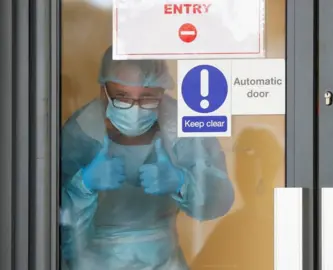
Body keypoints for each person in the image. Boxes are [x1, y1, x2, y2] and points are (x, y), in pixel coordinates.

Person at [60, 46, 235, 270]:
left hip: (164, 260)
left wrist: (182, 182)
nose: (135, 110)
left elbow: (219, 198)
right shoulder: (83, 131)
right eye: (122, 97)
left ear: (162, 93)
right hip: (95, 262)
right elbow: (50, 224)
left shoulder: (179, 125)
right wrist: (83, 185)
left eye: (147, 98)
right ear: (104, 91)